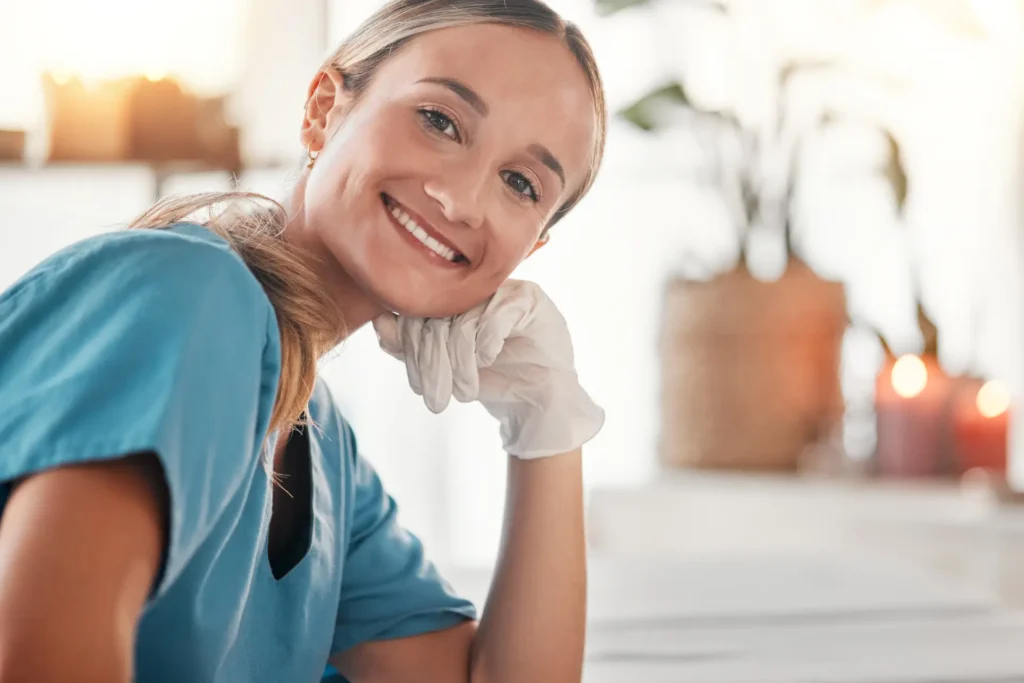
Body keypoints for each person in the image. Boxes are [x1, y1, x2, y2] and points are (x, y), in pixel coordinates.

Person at [0, 0, 607, 681]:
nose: (463, 200)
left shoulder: (323, 450)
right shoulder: (187, 293)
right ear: (324, 108)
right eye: (440, 120)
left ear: (532, 247)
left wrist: (548, 428)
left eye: (520, 183)